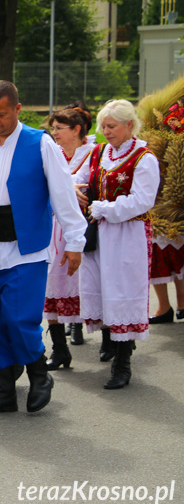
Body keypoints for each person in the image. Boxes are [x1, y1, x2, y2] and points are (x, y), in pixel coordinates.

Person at [0, 81, 86, 415]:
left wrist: (75, 241)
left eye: (1, 114)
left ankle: (39, 374)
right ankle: (3, 391)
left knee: (19, 318)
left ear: (17, 109)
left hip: (26, 250)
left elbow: (63, 194)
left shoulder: (40, 143)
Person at [74, 100, 160, 389]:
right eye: (103, 126)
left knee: (122, 290)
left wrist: (105, 209)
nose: (105, 131)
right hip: (98, 234)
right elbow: (79, 178)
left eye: (111, 126)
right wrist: (74, 187)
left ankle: (123, 361)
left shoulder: (144, 158)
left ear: (129, 126)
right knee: (100, 287)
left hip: (127, 234)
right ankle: (111, 341)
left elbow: (143, 200)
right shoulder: (98, 153)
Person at [42, 107, 95, 370]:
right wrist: (68, 186)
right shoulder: (53, 153)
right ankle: (59, 349)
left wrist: (70, 185)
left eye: (59, 128)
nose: (54, 133)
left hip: (87, 230)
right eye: (53, 129)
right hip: (54, 228)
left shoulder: (94, 153)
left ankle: (112, 340)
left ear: (76, 130)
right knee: (52, 284)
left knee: (89, 283)